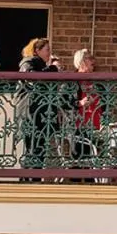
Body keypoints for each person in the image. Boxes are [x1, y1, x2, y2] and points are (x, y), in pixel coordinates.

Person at [18, 38, 62, 168]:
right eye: (47, 50)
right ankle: (30, 176)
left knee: (39, 145)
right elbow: (31, 78)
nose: (49, 53)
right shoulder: (28, 62)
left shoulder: (41, 65)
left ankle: (33, 175)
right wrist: (53, 68)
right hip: (32, 110)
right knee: (33, 144)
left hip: (41, 110)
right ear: (37, 51)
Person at [69, 48, 103, 178]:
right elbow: (63, 100)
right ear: (82, 62)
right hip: (78, 125)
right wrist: (80, 103)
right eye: (89, 58)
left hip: (96, 125)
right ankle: (77, 186)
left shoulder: (95, 80)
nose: (93, 60)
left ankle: (91, 182)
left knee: (92, 158)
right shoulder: (72, 80)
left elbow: (103, 101)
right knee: (78, 159)